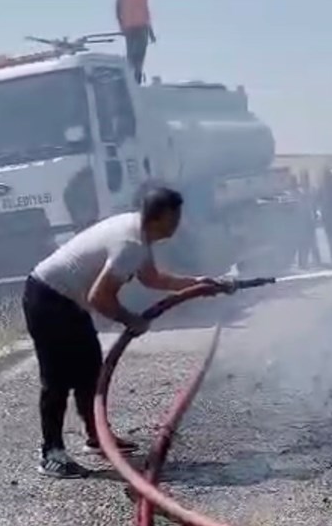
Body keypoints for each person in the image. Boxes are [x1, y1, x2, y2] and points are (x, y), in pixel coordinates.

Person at [22, 187, 230, 479]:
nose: (178, 223)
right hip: (48, 298)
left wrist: (196, 283)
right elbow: (99, 297)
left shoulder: (137, 232)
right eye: (175, 217)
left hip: (66, 301)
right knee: (57, 380)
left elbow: (152, 279)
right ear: (161, 217)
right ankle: (51, 454)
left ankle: (97, 436)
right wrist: (130, 319)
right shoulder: (130, 244)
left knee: (90, 371)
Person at [116, 0, 156, 83]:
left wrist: (151, 31)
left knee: (139, 58)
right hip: (130, 27)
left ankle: (136, 80)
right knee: (132, 57)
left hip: (142, 27)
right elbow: (118, 6)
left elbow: (145, 9)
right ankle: (131, 80)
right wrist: (121, 24)